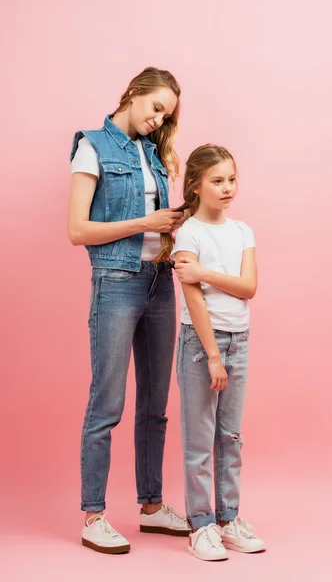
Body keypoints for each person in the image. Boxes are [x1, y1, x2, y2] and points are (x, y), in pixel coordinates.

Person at [68, 67, 190, 554]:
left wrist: (175, 226)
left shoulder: (153, 153)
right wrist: (146, 221)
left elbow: (157, 223)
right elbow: (78, 230)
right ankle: (93, 515)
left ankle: (152, 505)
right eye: (156, 107)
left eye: (167, 114)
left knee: (155, 405)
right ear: (134, 94)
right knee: (107, 403)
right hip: (116, 283)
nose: (160, 120)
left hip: (161, 282)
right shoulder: (92, 145)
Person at [170, 144, 266, 560]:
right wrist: (212, 355)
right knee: (199, 440)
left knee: (230, 437)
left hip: (239, 340)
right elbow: (194, 301)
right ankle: (201, 524)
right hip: (200, 344)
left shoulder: (242, 231)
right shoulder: (188, 232)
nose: (227, 188)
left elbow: (248, 289)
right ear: (196, 184)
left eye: (231, 179)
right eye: (217, 180)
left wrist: (206, 272)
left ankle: (229, 518)